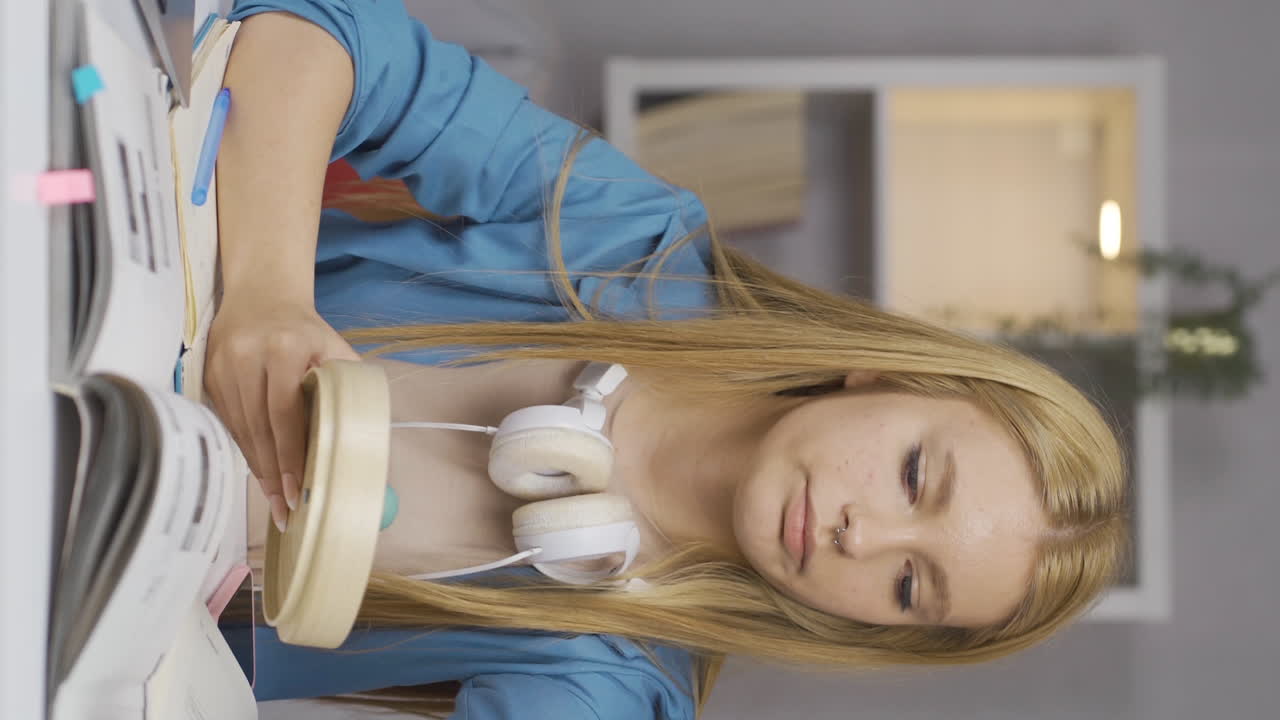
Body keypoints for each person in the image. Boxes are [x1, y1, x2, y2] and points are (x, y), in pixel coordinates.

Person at [207, 1, 1130, 718]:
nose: (864, 536)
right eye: (915, 474)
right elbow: (322, 29)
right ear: (890, 372)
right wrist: (267, 294)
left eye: (906, 585)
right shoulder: (631, 240)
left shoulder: (619, 684)